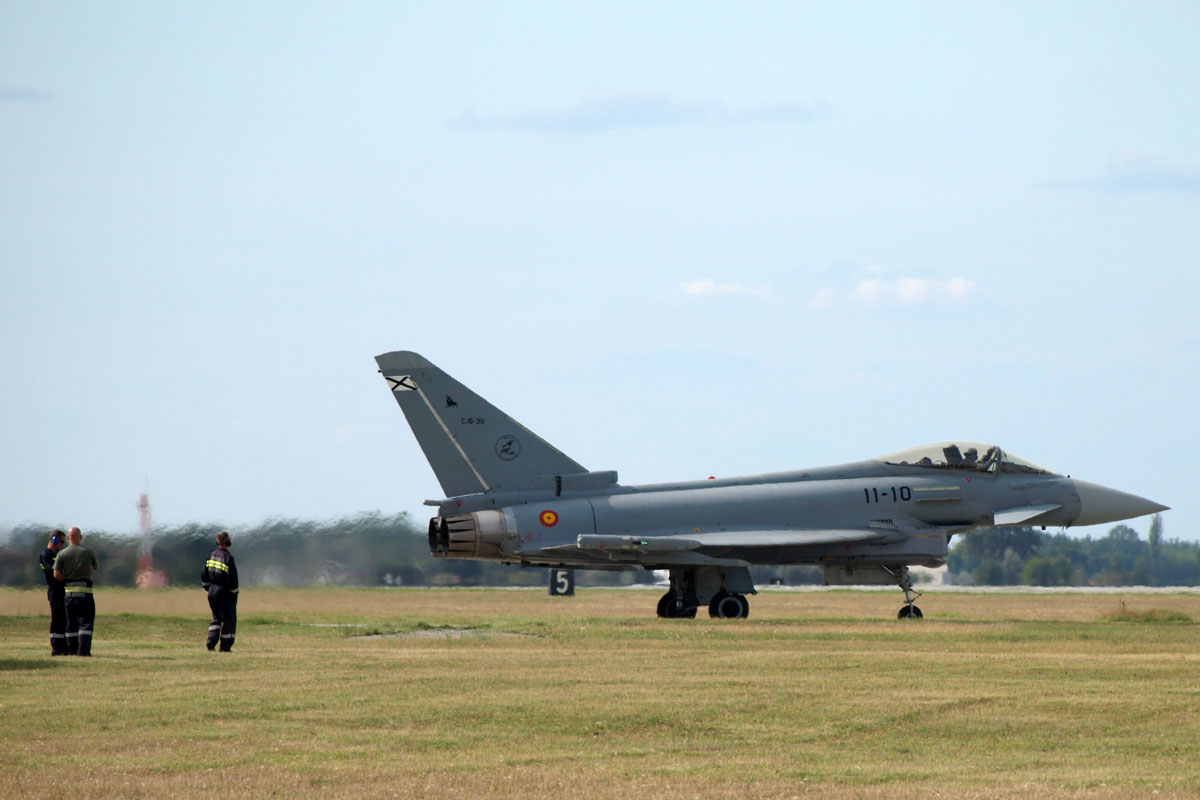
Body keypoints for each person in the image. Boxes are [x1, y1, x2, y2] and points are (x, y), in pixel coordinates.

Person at [53, 527, 99, 656]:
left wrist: (67, 581)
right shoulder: (88, 551)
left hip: (69, 594)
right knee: (85, 624)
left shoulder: (61, 554)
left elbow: (56, 574)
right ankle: (83, 652)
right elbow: (96, 566)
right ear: (81, 537)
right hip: (85, 594)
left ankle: (72, 651)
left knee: (71, 624)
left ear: (68, 538)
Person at [201, 531, 238, 651]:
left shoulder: (211, 554)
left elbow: (204, 574)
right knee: (229, 619)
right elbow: (232, 579)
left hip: (212, 591)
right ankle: (225, 647)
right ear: (228, 542)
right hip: (223, 592)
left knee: (216, 618)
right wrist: (233, 593)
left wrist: (208, 588)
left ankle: (211, 641)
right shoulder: (228, 558)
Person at [39, 529, 68, 655]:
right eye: (61, 541)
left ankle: (64, 647)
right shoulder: (46, 555)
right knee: (57, 619)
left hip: (62, 590)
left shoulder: (57, 554)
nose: (62, 544)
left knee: (64, 619)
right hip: (55, 590)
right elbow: (53, 571)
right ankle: (56, 648)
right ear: (54, 540)